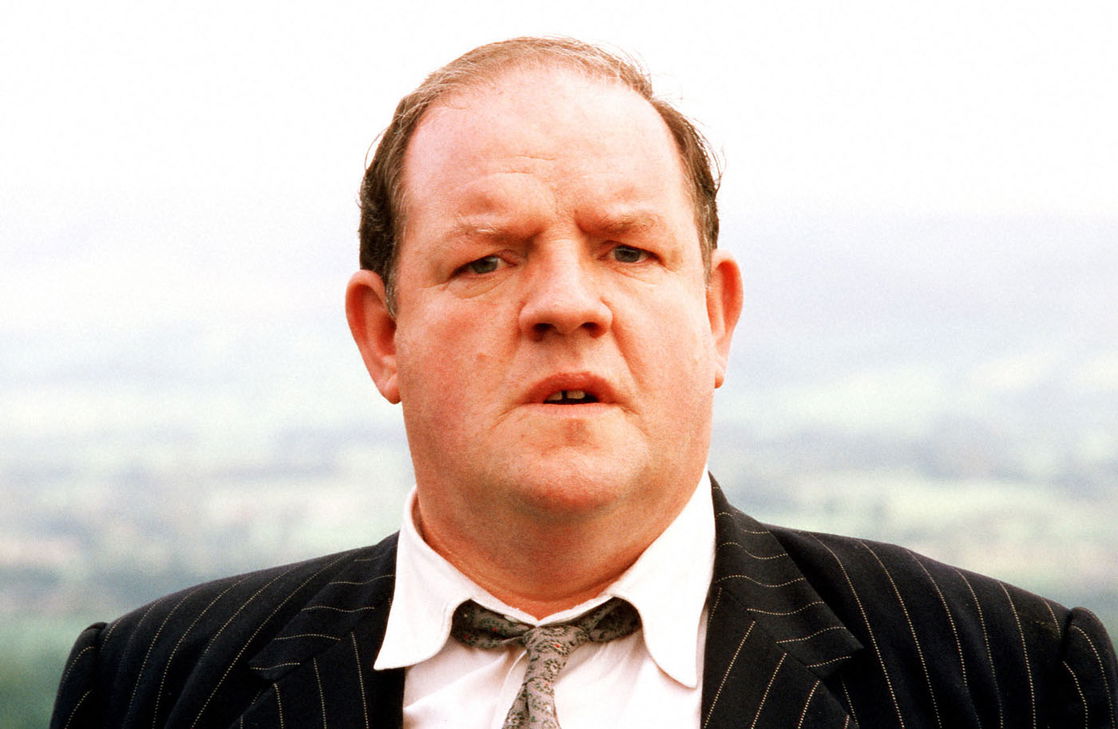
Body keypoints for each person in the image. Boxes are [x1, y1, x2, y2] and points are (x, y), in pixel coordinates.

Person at [52, 37, 1116, 729]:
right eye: (486, 260)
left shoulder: (1013, 679)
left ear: (714, 317)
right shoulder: (150, 687)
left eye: (627, 250)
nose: (565, 303)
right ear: (383, 335)